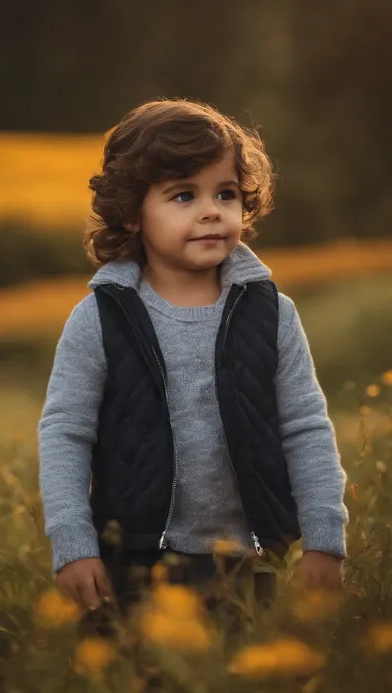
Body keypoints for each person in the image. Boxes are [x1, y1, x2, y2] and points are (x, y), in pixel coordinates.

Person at [38, 98, 349, 622]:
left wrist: (323, 538)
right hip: (130, 565)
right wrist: (73, 543)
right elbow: (65, 432)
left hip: (251, 562)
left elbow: (305, 426)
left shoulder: (271, 314)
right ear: (134, 213)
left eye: (225, 193)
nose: (211, 210)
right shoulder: (101, 318)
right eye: (183, 195)